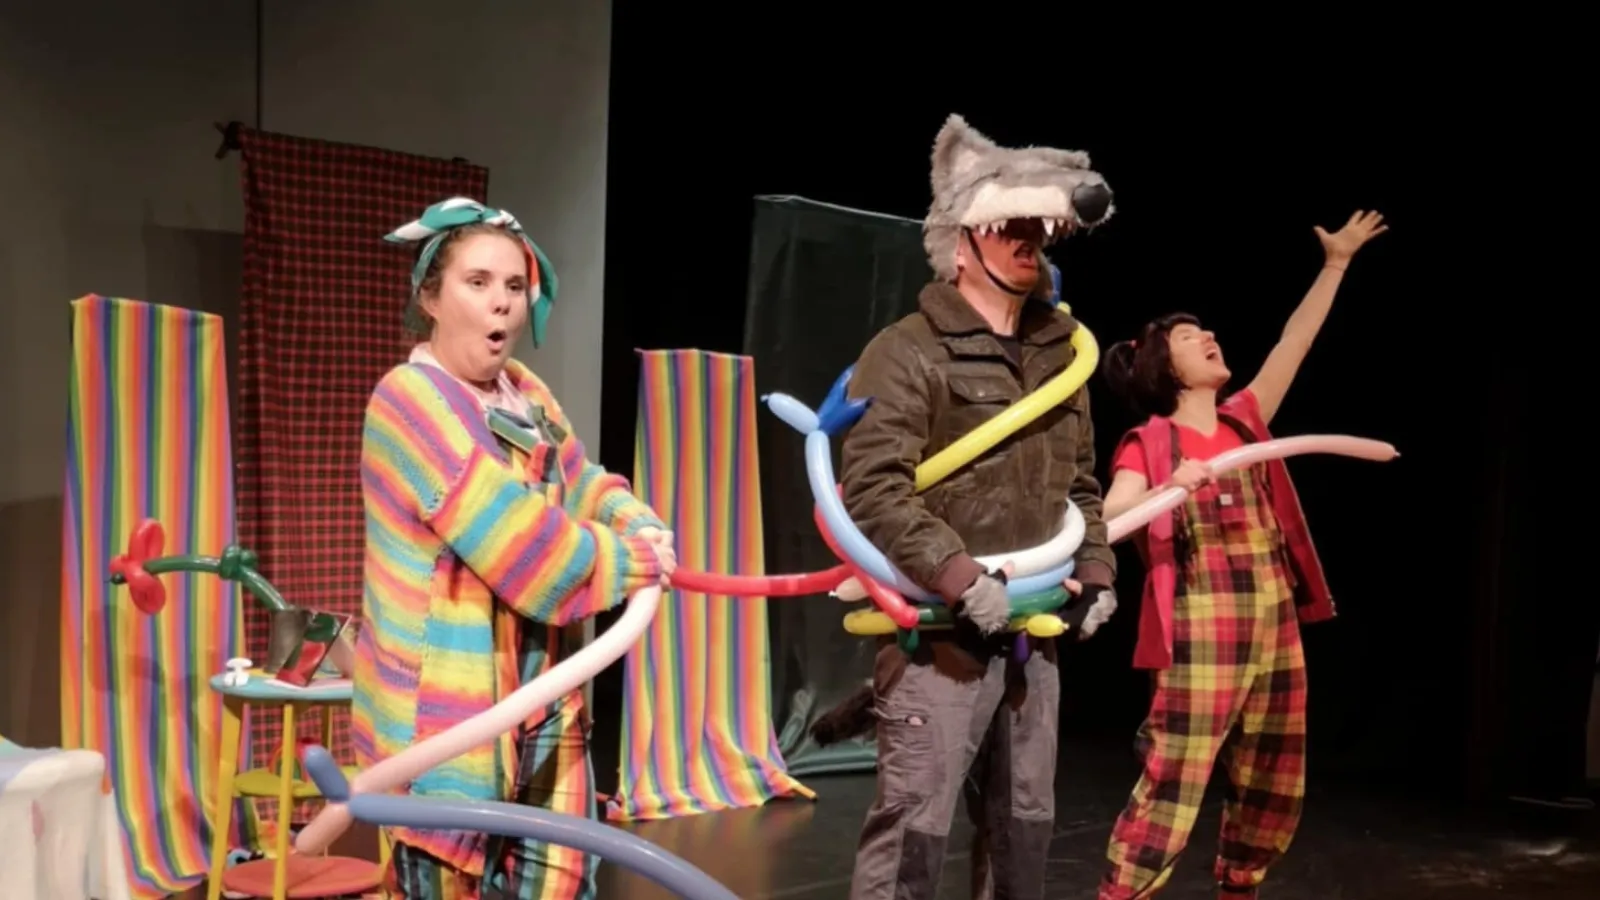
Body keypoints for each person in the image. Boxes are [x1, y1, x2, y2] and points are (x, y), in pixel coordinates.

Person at [351, 197, 677, 900]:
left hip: (549, 698)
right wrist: (635, 560)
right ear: (430, 297)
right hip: (447, 716)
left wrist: (633, 517)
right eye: (477, 283)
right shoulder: (407, 403)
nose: (501, 304)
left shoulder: (524, 394)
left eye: (514, 286)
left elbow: (579, 479)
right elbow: (526, 552)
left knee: (561, 884)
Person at [838, 114, 1120, 900]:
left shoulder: (1061, 356)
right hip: (940, 641)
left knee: (1024, 828)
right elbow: (875, 485)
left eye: (1039, 227)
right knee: (913, 836)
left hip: (1034, 635)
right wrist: (961, 577)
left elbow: (1082, 484)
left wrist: (1096, 567)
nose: (1029, 237)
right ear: (961, 241)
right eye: (1010, 225)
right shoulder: (907, 351)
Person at [1094, 210, 1388, 899]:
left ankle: (1240, 884)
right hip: (1203, 624)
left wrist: (1336, 264)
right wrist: (1170, 486)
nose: (1212, 339)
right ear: (1162, 365)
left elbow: (1296, 339)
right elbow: (1110, 513)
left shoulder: (1245, 421)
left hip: (1273, 618)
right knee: (1177, 772)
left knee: (1274, 773)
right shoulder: (1149, 441)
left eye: (1209, 332)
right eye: (1193, 338)